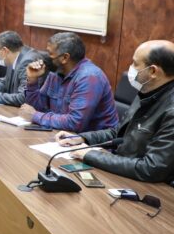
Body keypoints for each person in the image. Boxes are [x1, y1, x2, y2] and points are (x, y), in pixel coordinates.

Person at [56, 40, 174, 183]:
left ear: (153, 71)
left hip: (152, 188)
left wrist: (90, 154)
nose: (131, 68)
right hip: (123, 173)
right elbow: (119, 133)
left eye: (135, 63)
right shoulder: (147, 90)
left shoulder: (171, 111)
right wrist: (83, 138)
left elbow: (151, 169)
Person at [20, 32, 118, 132]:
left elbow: (75, 122)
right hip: (63, 134)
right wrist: (32, 80)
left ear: (65, 58)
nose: (45, 57)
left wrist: (36, 116)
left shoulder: (89, 77)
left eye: (50, 53)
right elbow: (36, 107)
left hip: (93, 139)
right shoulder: (56, 73)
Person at [0, 30, 36, 106]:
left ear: (5, 50)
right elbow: (6, 81)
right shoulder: (14, 56)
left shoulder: (27, 61)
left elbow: (23, 97)